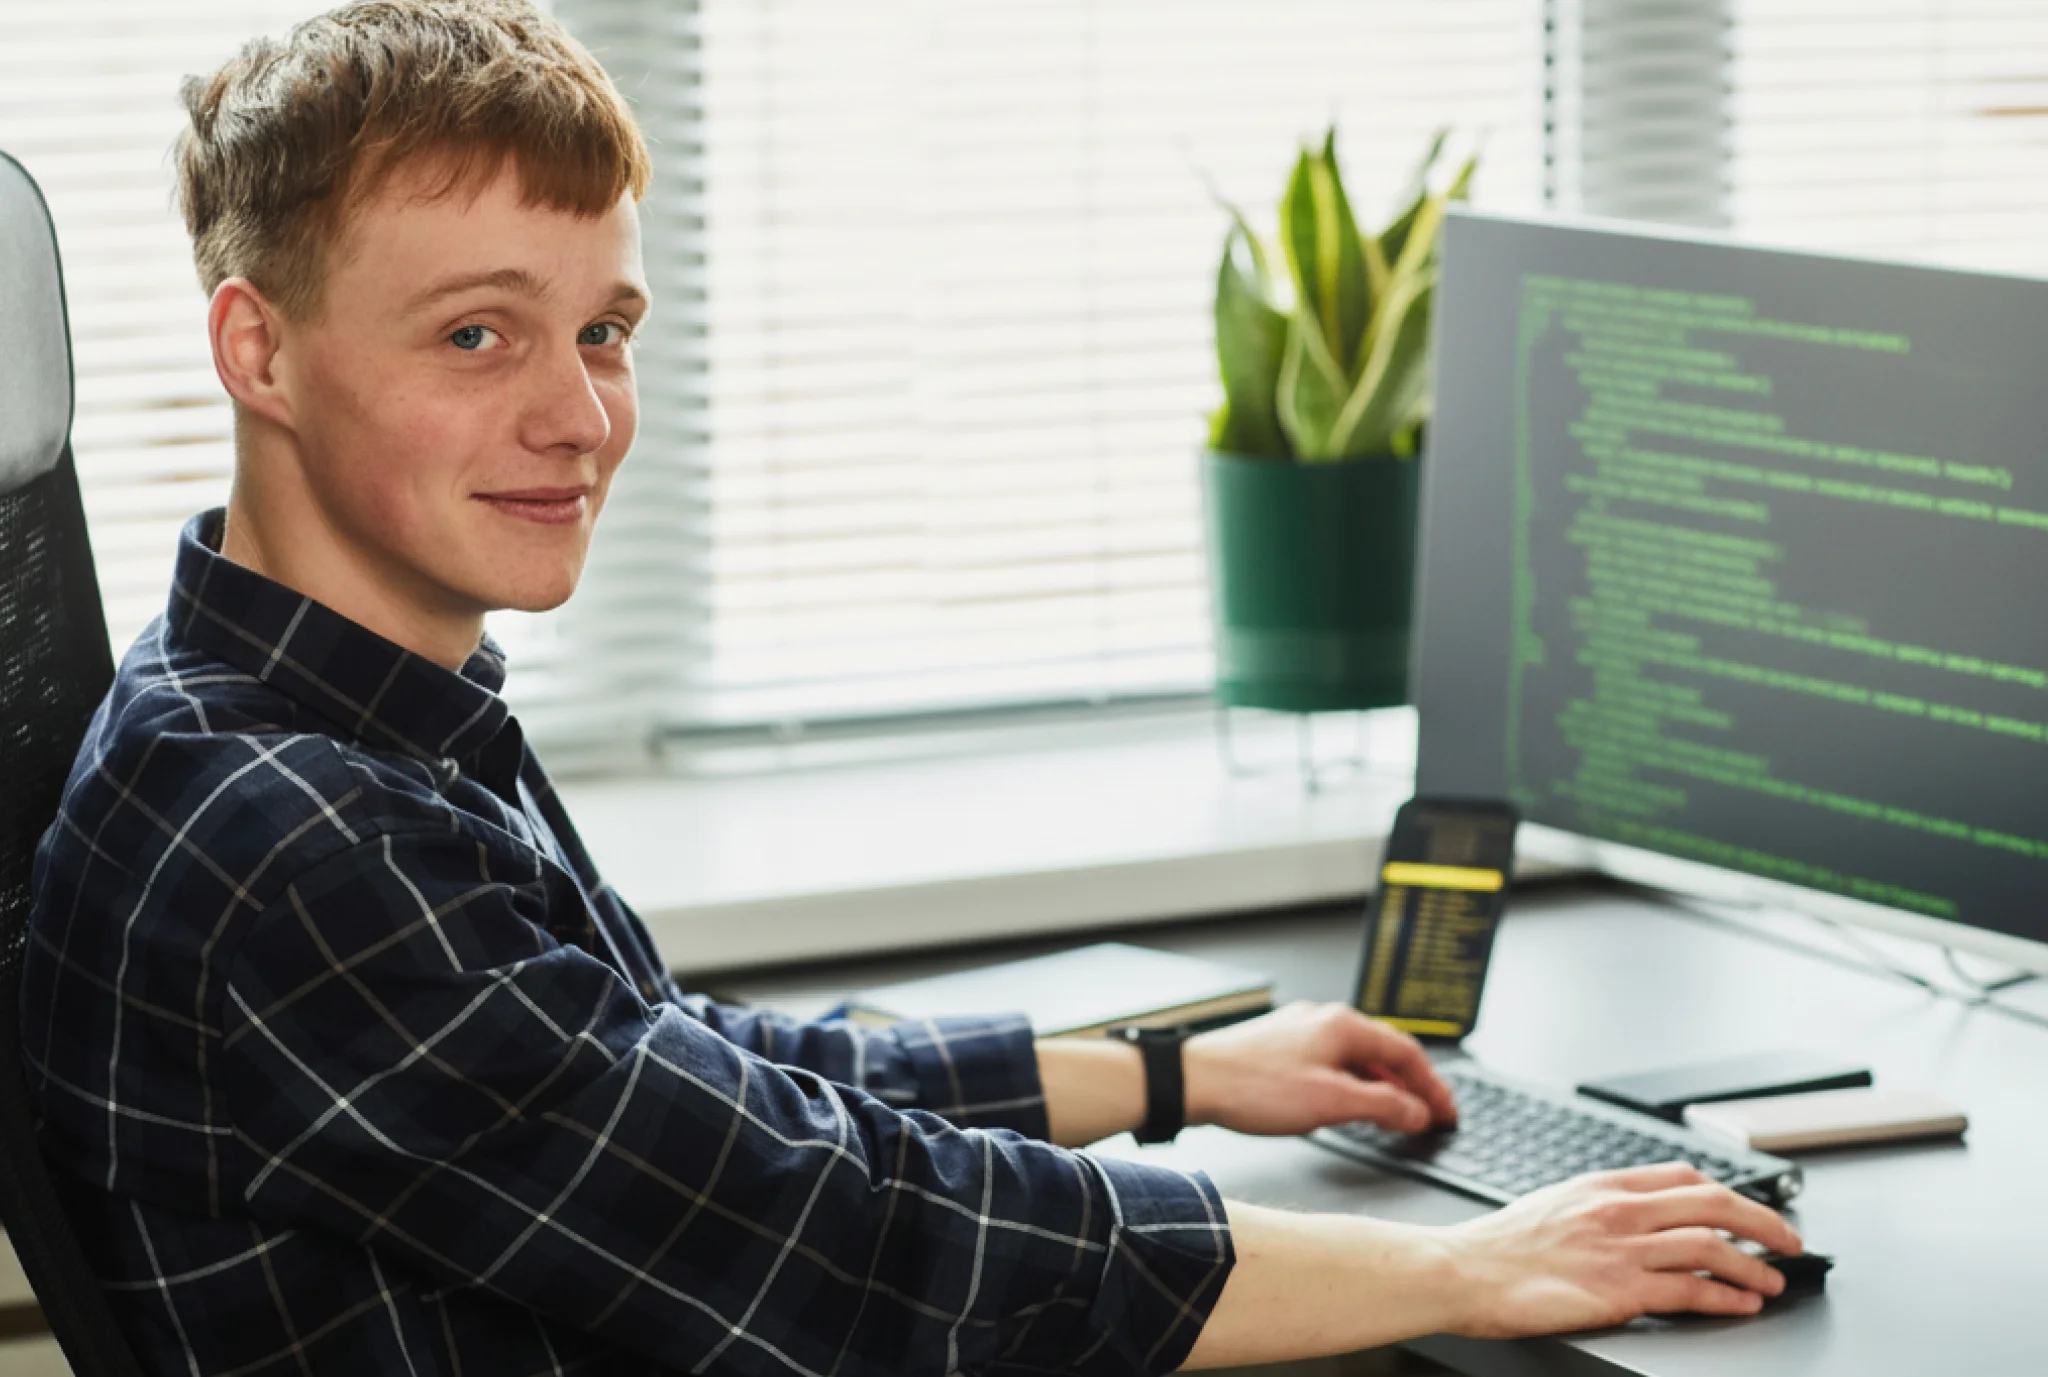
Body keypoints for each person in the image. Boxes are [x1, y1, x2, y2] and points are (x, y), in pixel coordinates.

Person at [21, 2, 1803, 1373]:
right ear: (259, 346)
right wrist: (1471, 1267)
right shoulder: (287, 838)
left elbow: (675, 1077)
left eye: (605, 331)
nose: (577, 415)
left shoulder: (321, 720)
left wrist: (1160, 1073)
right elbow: (838, 1239)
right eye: (477, 333)